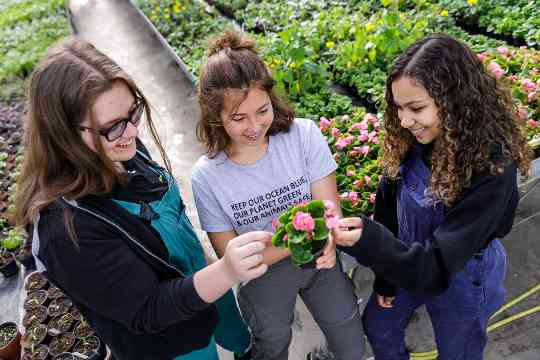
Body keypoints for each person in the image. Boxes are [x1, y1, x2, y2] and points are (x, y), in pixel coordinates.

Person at [15, 37, 270, 360]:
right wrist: (227, 271)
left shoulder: (121, 149)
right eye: (113, 127)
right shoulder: (66, 232)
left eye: (132, 112)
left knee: (237, 337)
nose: (132, 132)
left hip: (206, 287)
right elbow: (149, 309)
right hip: (171, 340)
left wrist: (219, 274)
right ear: (64, 134)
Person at [333, 33, 532, 359]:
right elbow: (388, 205)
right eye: (399, 108)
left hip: (460, 274)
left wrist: (370, 241)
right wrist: (385, 278)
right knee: (379, 326)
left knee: (459, 350)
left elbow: (437, 265)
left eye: (416, 108)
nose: (405, 121)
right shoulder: (412, 138)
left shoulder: (492, 167)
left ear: (455, 101)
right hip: (407, 258)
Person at [191, 30, 365, 360]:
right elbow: (237, 260)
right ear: (216, 117)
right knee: (270, 342)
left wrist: (325, 237)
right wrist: (305, 234)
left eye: (263, 110)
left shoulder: (304, 136)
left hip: (319, 258)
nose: (255, 126)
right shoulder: (207, 176)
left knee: (349, 337)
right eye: (238, 118)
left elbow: (330, 213)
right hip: (264, 276)